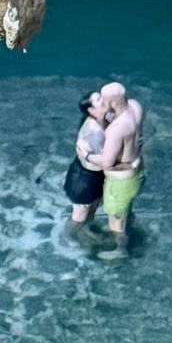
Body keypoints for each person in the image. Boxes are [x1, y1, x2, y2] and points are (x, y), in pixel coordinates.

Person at [87, 80, 144, 257]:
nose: (102, 105)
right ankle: (129, 230)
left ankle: (120, 251)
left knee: (116, 223)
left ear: (113, 103)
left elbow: (107, 162)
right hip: (137, 171)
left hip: (120, 183)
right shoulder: (135, 107)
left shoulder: (116, 130)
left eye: (104, 102)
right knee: (126, 210)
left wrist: (86, 155)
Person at [64, 91, 110, 238]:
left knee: (92, 209)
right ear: (91, 110)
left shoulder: (105, 117)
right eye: (99, 99)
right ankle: (67, 239)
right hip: (84, 180)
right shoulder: (92, 131)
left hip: (95, 176)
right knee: (79, 217)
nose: (103, 99)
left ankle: (84, 229)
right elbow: (105, 161)